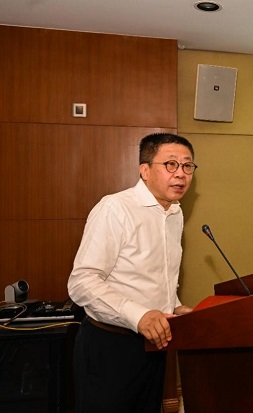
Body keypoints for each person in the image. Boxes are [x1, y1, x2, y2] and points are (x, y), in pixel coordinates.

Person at [67, 132, 196, 413]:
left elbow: (156, 274)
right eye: (171, 164)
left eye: (187, 166)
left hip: (155, 344)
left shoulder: (175, 213)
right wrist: (138, 315)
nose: (181, 174)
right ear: (145, 170)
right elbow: (82, 282)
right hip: (110, 346)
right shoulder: (115, 208)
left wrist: (173, 306)